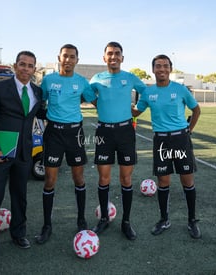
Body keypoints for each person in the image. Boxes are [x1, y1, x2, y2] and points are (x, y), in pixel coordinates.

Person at [0, 51, 46, 262]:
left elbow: (41, 114)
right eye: (22, 64)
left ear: (34, 69)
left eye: (30, 65)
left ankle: (18, 235)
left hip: (24, 154)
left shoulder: (37, 92)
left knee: (20, 198)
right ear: (15, 66)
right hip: (0, 154)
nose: (26, 68)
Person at [132, 54, 202, 239]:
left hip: (180, 139)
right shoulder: (148, 93)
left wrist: (190, 129)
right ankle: (164, 219)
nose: (161, 69)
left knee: (187, 181)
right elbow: (136, 111)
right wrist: (117, 101)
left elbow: (196, 110)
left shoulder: (180, 89)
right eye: (158, 66)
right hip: (161, 141)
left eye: (165, 66)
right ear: (153, 69)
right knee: (163, 182)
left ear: (170, 69)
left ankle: (192, 220)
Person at [35, 44, 94, 244]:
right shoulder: (49, 80)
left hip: (75, 133)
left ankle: (81, 219)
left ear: (77, 60)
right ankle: (47, 225)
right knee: (50, 180)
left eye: (72, 57)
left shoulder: (82, 82)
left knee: (78, 178)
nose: (68, 60)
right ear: (58, 58)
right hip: (54, 134)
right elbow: (39, 104)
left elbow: (96, 101)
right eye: (65, 56)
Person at [90, 41, 146, 240]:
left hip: (125, 132)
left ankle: (126, 222)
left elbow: (145, 92)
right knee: (103, 177)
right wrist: (102, 105)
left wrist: (138, 109)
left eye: (117, 54)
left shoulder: (129, 77)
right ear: (104, 57)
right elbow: (89, 95)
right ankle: (104, 218)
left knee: (126, 178)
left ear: (122, 58)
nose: (113, 57)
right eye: (110, 54)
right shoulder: (96, 79)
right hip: (104, 132)